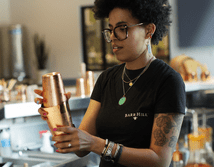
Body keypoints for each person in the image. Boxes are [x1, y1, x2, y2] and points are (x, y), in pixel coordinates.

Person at [34, 0, 186, 166]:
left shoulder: (168, 81)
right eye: (111, 30)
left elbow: (159, 161)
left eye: (122, 29)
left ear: (149, 30)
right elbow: (79, 148)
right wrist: (58, 112)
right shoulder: (106, 79)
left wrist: (97, 144)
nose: (113, 37)